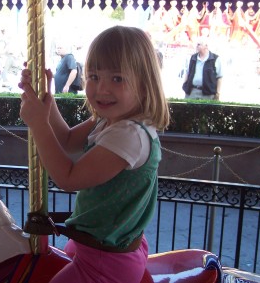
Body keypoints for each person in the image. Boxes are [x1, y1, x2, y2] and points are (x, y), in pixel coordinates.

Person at [19, 26, 170, 283]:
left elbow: (68, 178)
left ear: (145, 85)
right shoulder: (108, 121)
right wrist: (48, 100)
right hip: (96, 244)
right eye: (94, 76)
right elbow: (67, 141)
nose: (101, 89)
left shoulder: (129, 135)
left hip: (107, 259)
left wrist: (38, 124)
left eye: (117, 78)